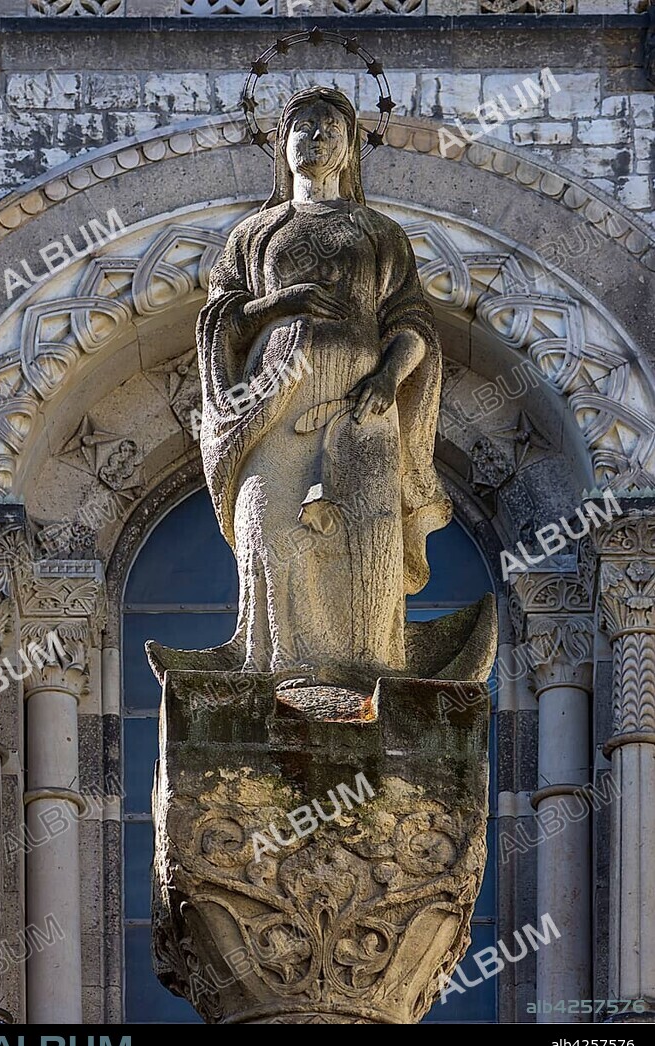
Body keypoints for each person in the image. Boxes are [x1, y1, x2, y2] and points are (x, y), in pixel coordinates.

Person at [197, 86, 451, 687]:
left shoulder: (380, 233)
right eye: (303, 128)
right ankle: (276, 668)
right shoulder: (254, 235)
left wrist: (390, 375)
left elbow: (411, 322)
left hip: (364, 405)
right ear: (282, 145)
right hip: (274, 401)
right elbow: (217, 320)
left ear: (349, 148)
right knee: (269, 522)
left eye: (329, 129)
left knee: (367, 535)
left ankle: (369, 671)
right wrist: (275, 305)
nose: (315, 138)